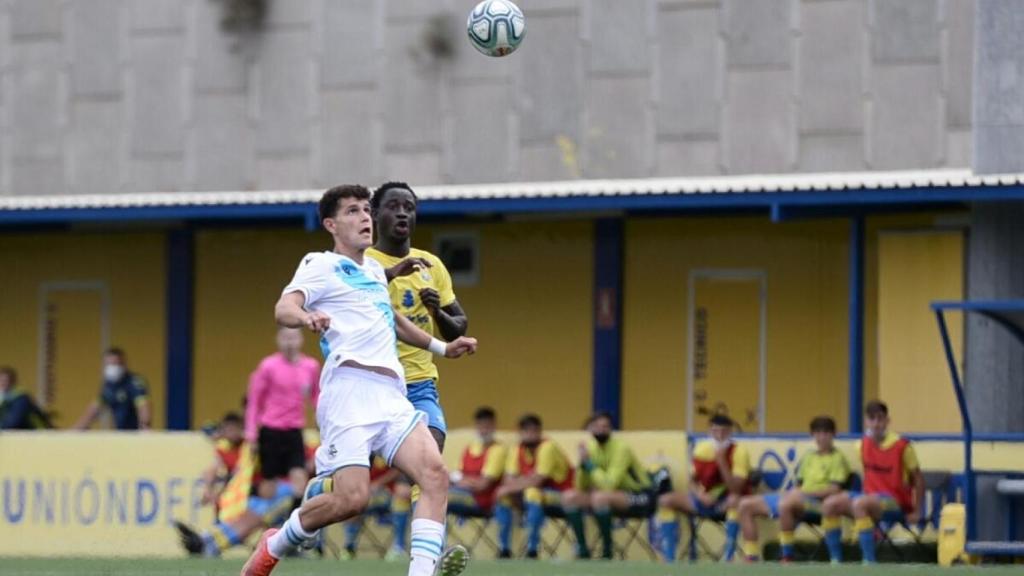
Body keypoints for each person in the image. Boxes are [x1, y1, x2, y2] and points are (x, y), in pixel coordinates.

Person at [239, 184, 477, 576]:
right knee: (352, 500)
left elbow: (391, 319)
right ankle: (275, 543)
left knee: (433, 474)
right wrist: (306, 318)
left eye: (367, 210)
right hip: (349, 392)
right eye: (353, 212)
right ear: (331, 224)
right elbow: (285, 307)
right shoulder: (319, 263)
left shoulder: (372, 272)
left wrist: (441, 347)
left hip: (391, 393)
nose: (365, 217)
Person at [366, 181, 469, 454]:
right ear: (374, 214)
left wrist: (436, 312)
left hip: (419, 381)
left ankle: (418, 495)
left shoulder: (431, 264)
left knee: (431, 452)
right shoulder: (362, 262)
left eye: (409, 208)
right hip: (371, 380)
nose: (402, 213)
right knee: (354, 484)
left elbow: (458, 328)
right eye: (393, 207)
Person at [820, 400, 924, 564]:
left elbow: (918, 480)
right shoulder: (860, 445)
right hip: (869, 498)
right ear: (866, 421)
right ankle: (835, 560)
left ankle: (869, 562)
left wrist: (917, 511)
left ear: (887, 421)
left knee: (860, 504)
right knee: (829, 504)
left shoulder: (903, 446)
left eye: (880, 419)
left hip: (895, 502)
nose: (876, 424)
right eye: (872, 419)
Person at [736, 416, 850, 562]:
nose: (822, 437)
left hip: (819, 505)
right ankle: (751, 555)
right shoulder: (809, 456)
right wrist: (795, 492)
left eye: (826, 433)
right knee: (745, 505)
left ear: (833, 434)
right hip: (797, 498)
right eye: (818, 432)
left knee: (785, 504)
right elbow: (799, 484)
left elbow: (835, 490)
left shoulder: (838, 458)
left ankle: (787, 555)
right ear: (812, 435)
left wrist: (804, 493)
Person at [656, 414, 751, 562]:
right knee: (665, 500)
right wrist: (700, 495)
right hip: (704, 500)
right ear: (709, 432)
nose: (719, 436)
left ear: (730, 432)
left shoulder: (739, 451)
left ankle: (729, 557)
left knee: (735, 500)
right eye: (715, 431)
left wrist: (722, 462)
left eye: (724, 432)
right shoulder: (702, 449)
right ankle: (669, 559)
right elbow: (692, 482)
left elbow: (736, 488)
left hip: (725, 503)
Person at [562, 411, 654, 560]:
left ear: (611, 429)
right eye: (596, 426)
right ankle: (583, 550)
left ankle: (607, 550)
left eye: (605, 426)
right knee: (569, 497)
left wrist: (590, 466)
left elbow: (609, 484)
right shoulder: (590, 447)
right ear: (590, 429)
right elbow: (580, 486)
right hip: (609, 496)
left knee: (600, 497)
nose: (601, 430)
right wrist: (582, 465)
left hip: (641, 496)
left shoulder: (621, 448)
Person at [246, 327, 321, 500]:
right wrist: (251, 434)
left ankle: (293, 524)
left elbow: (316, 397)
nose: (290, 343)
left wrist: (322, 423)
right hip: (271, 430)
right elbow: (254, 401)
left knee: (300, 480)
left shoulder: (310, 366)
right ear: (278, 340)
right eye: (285, 338)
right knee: (269, 484)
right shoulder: (268, 366)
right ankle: (264, 521)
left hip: (294, 431)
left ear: (301, 340)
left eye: (293, 338)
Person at [493, 413, 574, 559]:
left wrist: (511, 487)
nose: (530, 435)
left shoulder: (548, 446)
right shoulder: (517, 449)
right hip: (530, 493)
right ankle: (504, 549)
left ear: (539, 431)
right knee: (504, 496)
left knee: (531, 493)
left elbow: (538, 480)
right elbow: (508, 478)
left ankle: (532, 549)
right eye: (526, 431)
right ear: (520, 432)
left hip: (560, 493)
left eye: (534, 431)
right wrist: (510, 489)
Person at [339, 455, 412, 560]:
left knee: (401, 495)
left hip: (390, 493)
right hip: (367, 492)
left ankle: (399, 547)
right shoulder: (363, 450)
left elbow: (399, 470)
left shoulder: (394, 448)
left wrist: (378, 483)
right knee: (353, 501)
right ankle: (349, 546)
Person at [447, 407, 506, 519]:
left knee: (438, 497)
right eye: (481, 426)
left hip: (483, 501)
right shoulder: (470, 448)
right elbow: (457, 477)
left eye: (487, 426)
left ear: (494, 426)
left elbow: (482, 485)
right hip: (465, 494)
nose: (484, 430)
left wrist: (461, 480)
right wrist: (462, 480)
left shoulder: (498, 450)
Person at [74, 348, 151, 430]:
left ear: (124, 364)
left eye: (115, 364)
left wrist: (144, 428)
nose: (112, 368)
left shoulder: (134, 382)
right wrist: (74, 431)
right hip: (119, 433)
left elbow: (144, 407)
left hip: (135, 433)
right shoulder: (108, 386)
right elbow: (93, 410)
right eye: (109, 365)